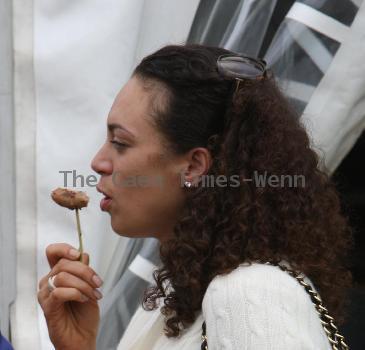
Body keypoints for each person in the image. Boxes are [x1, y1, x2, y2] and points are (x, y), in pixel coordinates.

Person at [37, 44, 353, 349]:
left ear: (193, 165)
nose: (98, 162)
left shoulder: (250, 294)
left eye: (120, 142)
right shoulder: (177, 297)